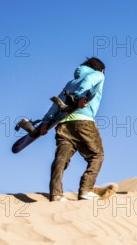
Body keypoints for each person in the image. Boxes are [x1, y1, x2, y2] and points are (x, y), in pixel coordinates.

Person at [38, 57, 106, 201]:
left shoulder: (70, 83)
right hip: (83, 121)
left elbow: (58, 103)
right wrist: (82, 96)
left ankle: (56, 193)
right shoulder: (98, 75)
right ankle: (86, 190)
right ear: (102, 69)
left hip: (63, 124)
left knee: (61, 158)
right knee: (97, 155)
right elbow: (88, 83)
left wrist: (46, 121)